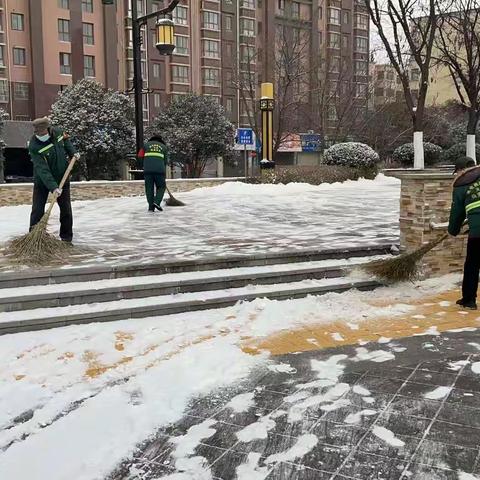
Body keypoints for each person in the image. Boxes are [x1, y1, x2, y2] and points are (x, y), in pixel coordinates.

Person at [29, 117, 79, 242]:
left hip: (63, 177)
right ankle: (34, 238)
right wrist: (53, 187)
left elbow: (66, 141)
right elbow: (42, 169)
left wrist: (73, 152)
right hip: (43, 181)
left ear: (48, 129)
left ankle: (67, 238)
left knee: (66, 209)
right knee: (37, 209)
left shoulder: (58, 132)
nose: (41, 135)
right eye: (38, 133)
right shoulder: (34, 145)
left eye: (43, 132)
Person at [448, 156, 480, 310]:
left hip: (478, 232)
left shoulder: (462, 184)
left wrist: (452, 230)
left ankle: (469, 300)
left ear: (461, 170)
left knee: (472, 265)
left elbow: (456, 213)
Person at [137, 135, 169, 212]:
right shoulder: (164, 147)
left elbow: (139, 156)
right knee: (161, 187)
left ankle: (151, 207)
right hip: (159, 171)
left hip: (148, 171)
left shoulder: (145, 146)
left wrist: (143, 165)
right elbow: (165, 161)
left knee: (149, 189)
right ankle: (157, 202)